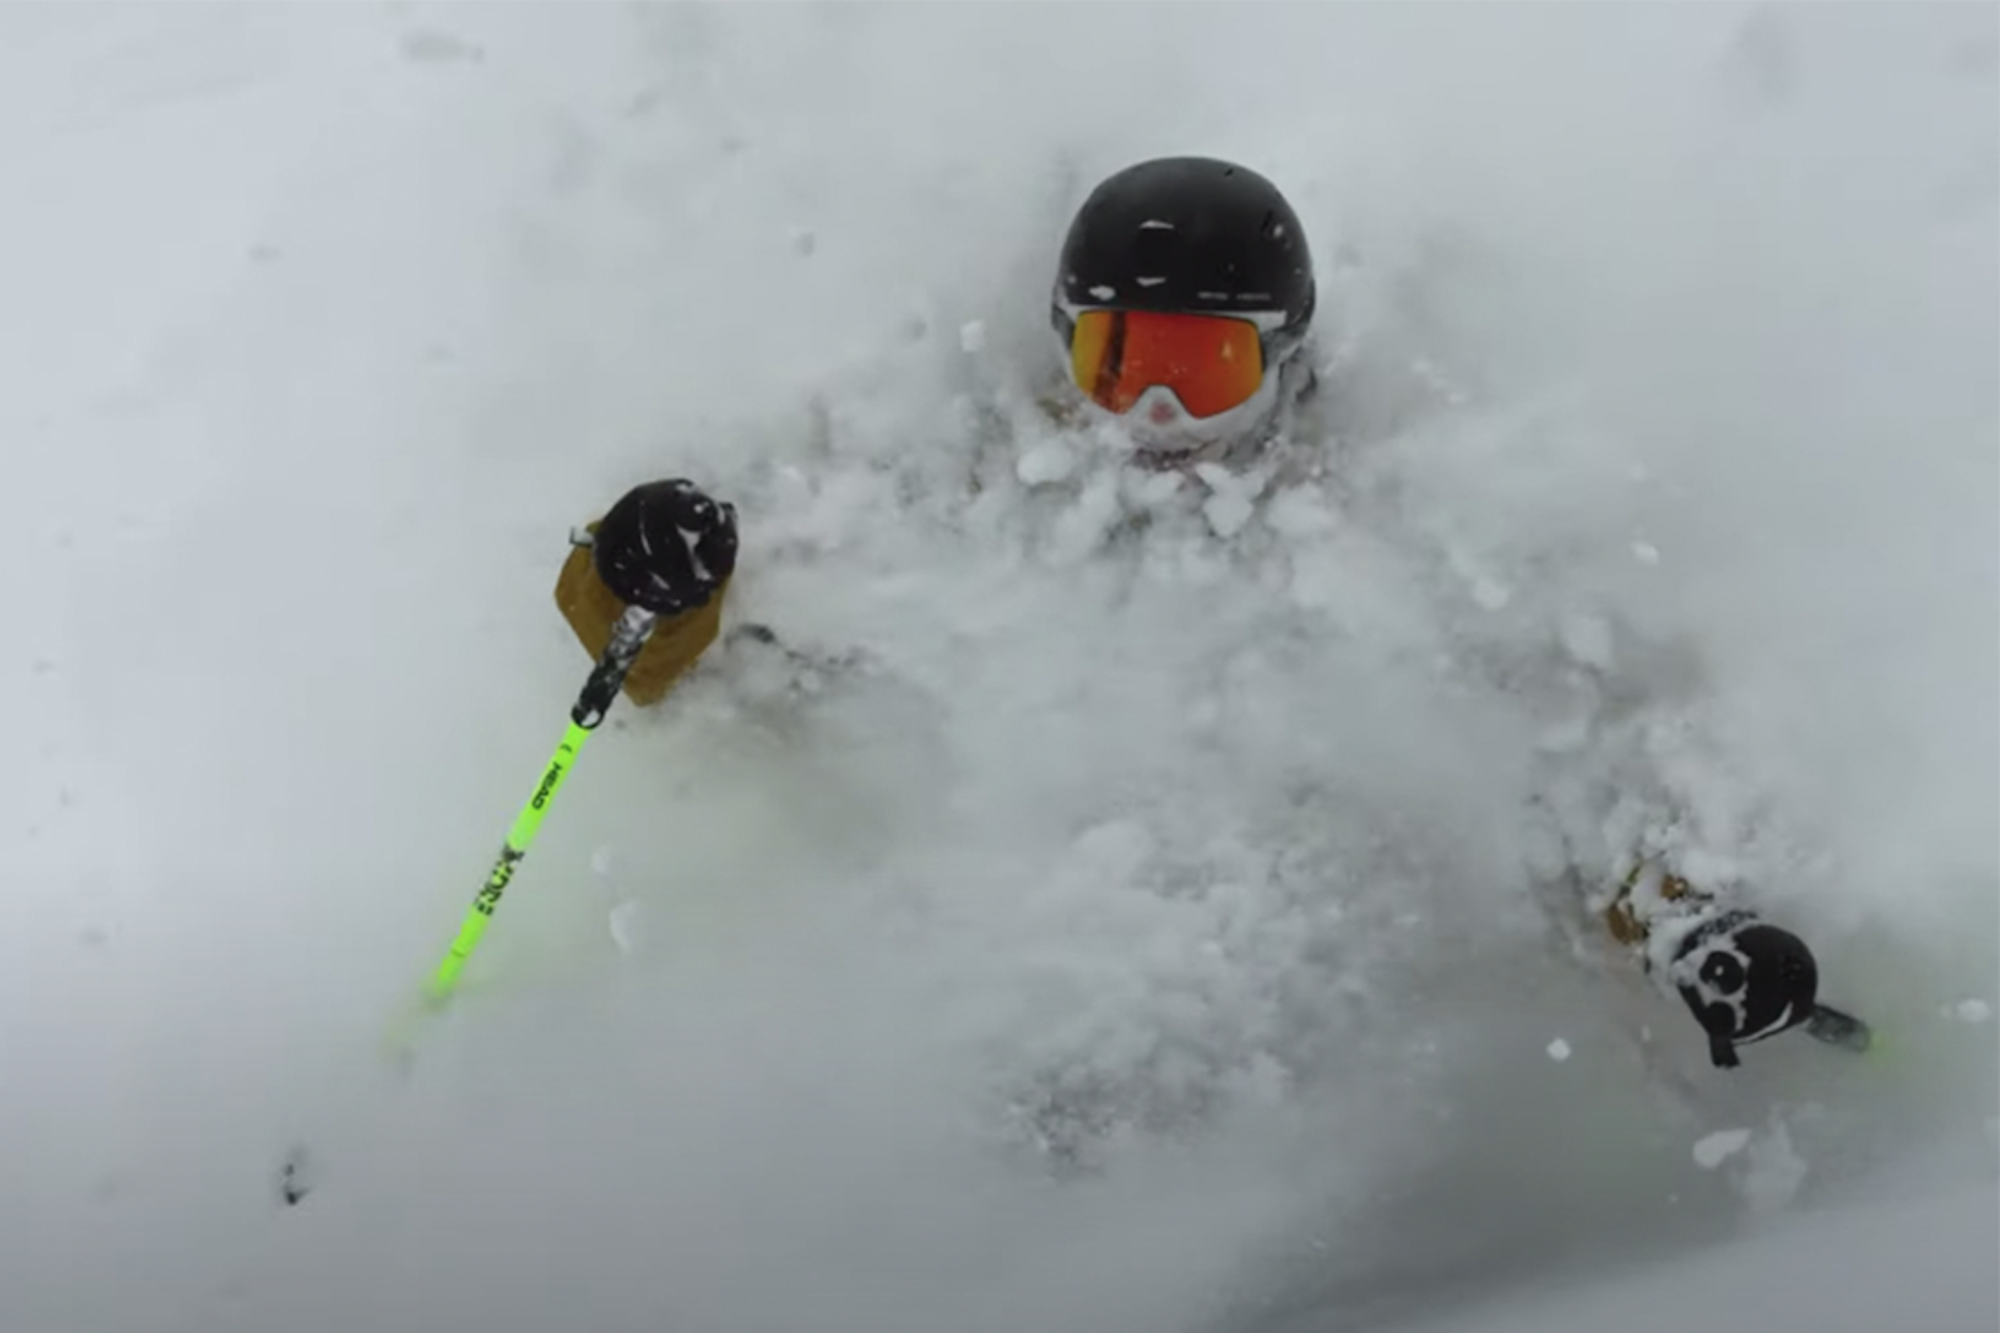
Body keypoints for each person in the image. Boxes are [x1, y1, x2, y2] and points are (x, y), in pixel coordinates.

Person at [551, 155, 1865, 1074]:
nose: (1155, 419)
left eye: (1202, 367)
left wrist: (1689, 925)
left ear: (1285, 367)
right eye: (1115, 362)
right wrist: (647, 571)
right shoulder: (965, 496)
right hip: (972, 993)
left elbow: (1572, 783)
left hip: (1308, 1039)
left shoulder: (1390, 545)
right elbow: (669, 666)